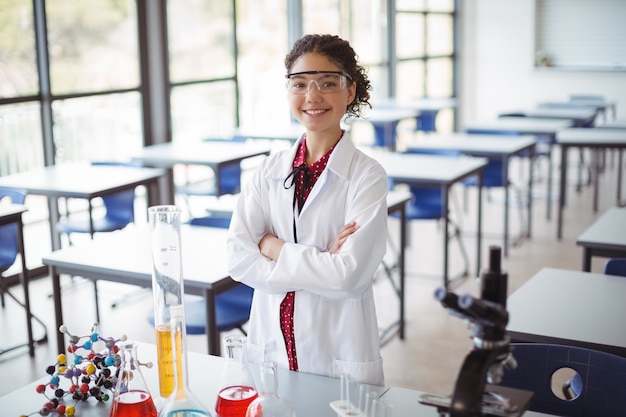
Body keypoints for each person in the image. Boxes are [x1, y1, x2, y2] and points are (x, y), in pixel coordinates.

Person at [226, 34, 388, 386]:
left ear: (350, 91)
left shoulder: (367, 175)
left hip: (337, 354)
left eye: (327, 83)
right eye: (299, 84)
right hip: (271, 347)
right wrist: (321, 261)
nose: (312, 96)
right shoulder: (270, 170)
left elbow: (348, 277)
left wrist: (274, 248)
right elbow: (239, 258)